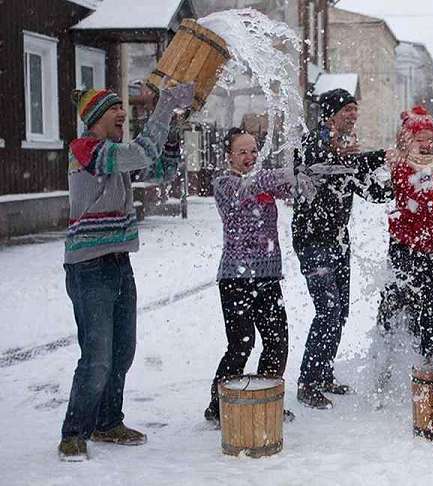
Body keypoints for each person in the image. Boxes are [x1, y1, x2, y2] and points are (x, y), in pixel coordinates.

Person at [59, 83, 193, 461]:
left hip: (119, 262)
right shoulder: (86, 150)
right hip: (88, 266)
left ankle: (107, 422)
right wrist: (164, 106)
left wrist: (173, 126)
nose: (122, 113)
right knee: (97, 356)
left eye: (122, 106)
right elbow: (142, 152)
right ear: (95, 118)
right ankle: (74, 433)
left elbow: (162, 168)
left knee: (122, 351)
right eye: (114, 109)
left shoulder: (116, 154)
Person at [204, 128, 321, 425]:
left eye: (254, 151)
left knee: (277, 342)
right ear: (229, 156)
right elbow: (253, 185)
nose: (250, 157)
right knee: (241, 345)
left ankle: (266, 401)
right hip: (236, 278)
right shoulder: (226, 184)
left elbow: (296, 193)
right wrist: (287, 173)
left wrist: (304, 178)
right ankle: (218, 406)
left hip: (268, 276)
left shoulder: (264, 184)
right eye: (242, 152)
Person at [292, 88, 392, 409]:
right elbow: (318, 162)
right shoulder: (313, 142)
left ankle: (323, 373)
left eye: (354, 108)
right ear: (330, 114)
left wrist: (401, 177)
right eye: (347, 109)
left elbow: (372, 191)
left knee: (340, 312)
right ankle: (308, 382)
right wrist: (367, 154)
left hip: (338, 240)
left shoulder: (348, 150)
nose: (353, 114)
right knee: (328, 311)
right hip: (312, 240)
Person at [375, 105, 433, 366]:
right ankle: (391, 360)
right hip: (405, 248)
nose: (426, 145)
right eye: (419, 139)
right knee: (399, 303)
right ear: (408, 141)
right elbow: (418, 196)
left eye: (430, 139)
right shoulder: (401, 166)